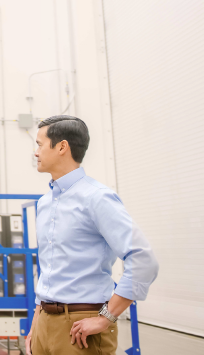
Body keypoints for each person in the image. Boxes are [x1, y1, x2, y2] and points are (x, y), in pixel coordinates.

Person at [25, 116, 159, 355]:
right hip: (44, 323)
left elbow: (143, 261)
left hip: (81, 327)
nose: (35, 152)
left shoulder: (97, 198)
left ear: (62, 147)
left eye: (39, 144)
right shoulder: (45, 203)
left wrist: (106, 317)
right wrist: (37, 323)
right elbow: (48, 270)